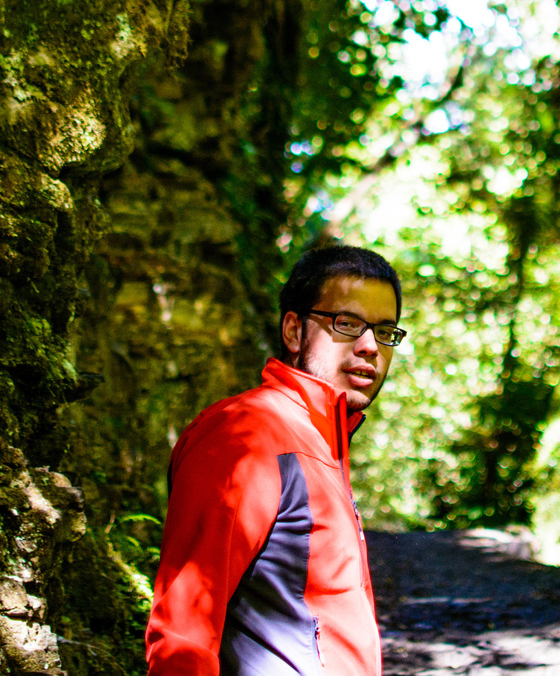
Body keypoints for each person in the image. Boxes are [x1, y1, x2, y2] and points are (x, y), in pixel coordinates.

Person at [145, 244, 407, 676]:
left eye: (385, 331)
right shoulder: (246, 433)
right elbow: (184, 630)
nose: (370, 346)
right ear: (293, 330)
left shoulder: (322, 441)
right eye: (347, 323)